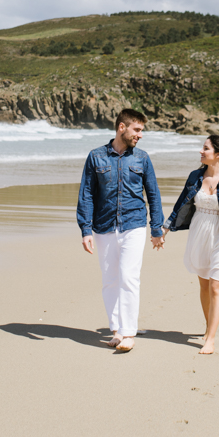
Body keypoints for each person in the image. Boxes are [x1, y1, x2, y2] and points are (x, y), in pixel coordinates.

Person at [77, 109, 164, 353]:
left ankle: (128, 332)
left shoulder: (142, 158)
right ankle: (116, 330)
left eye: (141, 131)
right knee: (109, 280)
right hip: (103, 227)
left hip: (134, 224)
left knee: (129, 277)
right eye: (137, 130)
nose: (140, 135)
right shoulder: (95, 157)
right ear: (121, 128)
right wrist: (85, 229)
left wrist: (156, 228)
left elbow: (153, 194)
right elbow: (86, 194)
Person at [162, 135, 219, 354]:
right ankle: (208, 326)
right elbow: (181, 202)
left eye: (205, 149)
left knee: (215, 286)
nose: (201, 152)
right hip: (200, 234)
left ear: (218, 154)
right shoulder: (195, 176)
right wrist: (164, 229)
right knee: (203, 285)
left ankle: (210, 339)